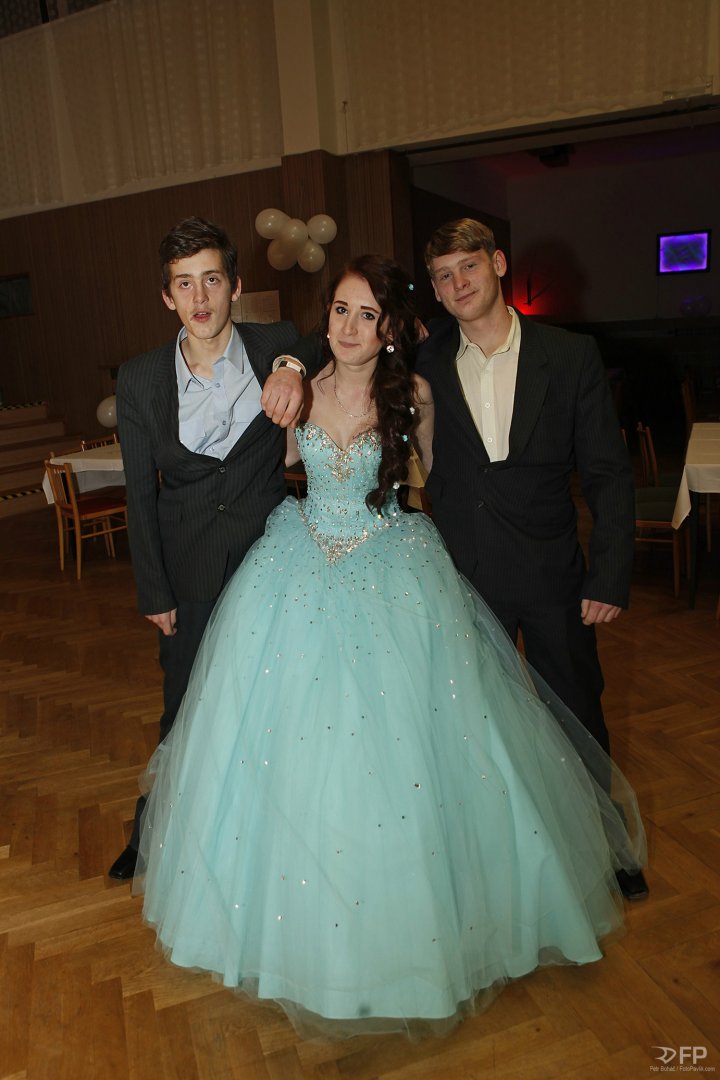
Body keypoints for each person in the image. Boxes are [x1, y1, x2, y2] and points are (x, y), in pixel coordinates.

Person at [132, 254, 646, 1040]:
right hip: (297, 564)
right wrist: (290, 368)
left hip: (392, 564)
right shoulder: (297, 387)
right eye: (340, 310)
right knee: (284, 747)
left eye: (367, 315)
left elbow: (439, 479)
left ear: (390, 330)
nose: (349, 327)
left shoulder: (417, 396)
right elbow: (277, 460)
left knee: (416, 749)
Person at [416, 219, 647, 901]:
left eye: (468, 266)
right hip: (464, 578)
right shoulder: (425, 361)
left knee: (577, 714)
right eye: (443, 276)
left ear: (497, 264)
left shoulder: (569, 355)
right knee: (478, 724)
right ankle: (501, 856)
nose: (458, 284)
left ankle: (607, 846)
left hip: (553, 575)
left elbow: (608, 473)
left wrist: (609, 573)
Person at [108, 216, 311, 881]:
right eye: (184, 284)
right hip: (188, 570)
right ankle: (150, 832)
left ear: (236, 286)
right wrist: (153, 589)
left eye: (212, 280)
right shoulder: (140, 379)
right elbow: (139, 493)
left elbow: (319, 340)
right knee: (183, 709)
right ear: (167, 295)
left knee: (274, 705)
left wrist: (293, 368)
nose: (200, 298)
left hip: (269, 566)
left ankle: (267, 838)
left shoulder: (274, 343)